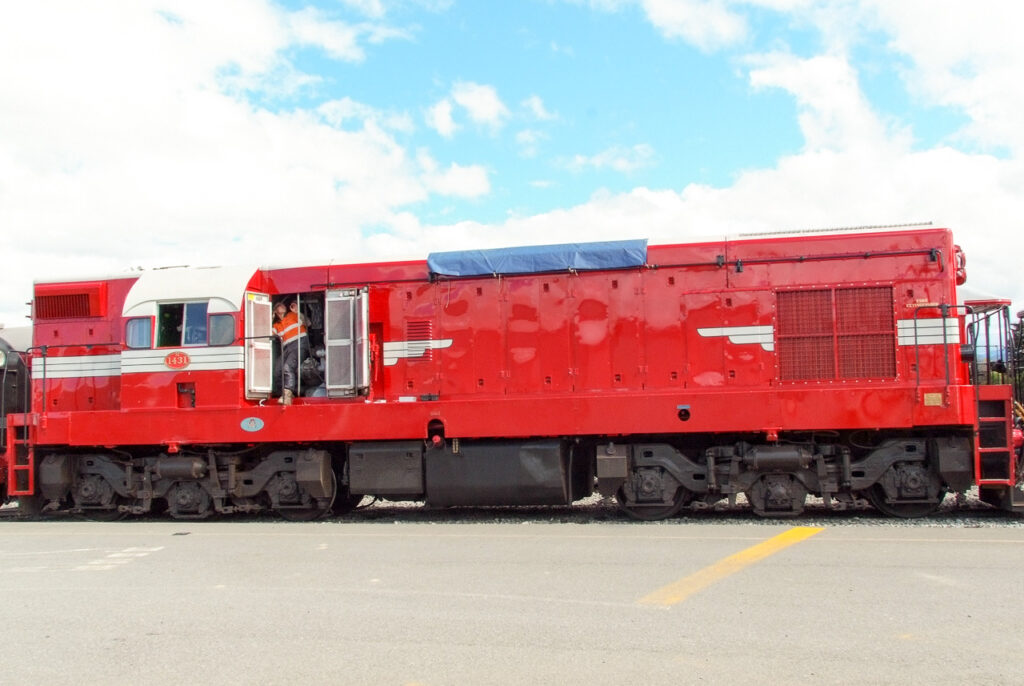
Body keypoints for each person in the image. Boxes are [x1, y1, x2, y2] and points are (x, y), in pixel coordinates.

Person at [272, 298, 308, 405]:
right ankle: (282, 393)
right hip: (287, 348)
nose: (281, 305)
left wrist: (297, 312)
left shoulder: (292, 315)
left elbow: (308, 323)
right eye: (278, 305)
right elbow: (267, 331)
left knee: (287, 367)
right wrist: (270, 317)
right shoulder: (276, 325)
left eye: (282, 304)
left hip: (300, 344)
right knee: (278, 370)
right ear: (275, 310)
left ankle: (287, 394)